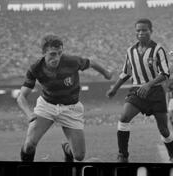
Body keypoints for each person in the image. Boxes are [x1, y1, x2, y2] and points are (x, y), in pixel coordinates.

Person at [17, 34, 112, 162]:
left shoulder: (72, 61)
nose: (56, 58)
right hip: (47, 106)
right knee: (29, 146)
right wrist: (29, 114)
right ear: (44, 52)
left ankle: (67, 148)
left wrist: (106, 73)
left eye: (59, 53)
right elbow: (21, 96)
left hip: (71, 108)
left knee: (79, 156)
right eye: (52, 54)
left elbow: (92, 63)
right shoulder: (35, 68)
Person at [106, 18, 173, 163]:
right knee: (123, 118)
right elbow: (126, 72)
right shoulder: (130, 51)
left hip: (156, 92)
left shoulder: (158, 49)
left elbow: (165, 73)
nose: (141, 33)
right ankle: (123, 155)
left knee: (164, 130)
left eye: (144, 30)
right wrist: (114, 88)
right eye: (138, 30)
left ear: (151, 31)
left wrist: (149, 84)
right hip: (137, 91)